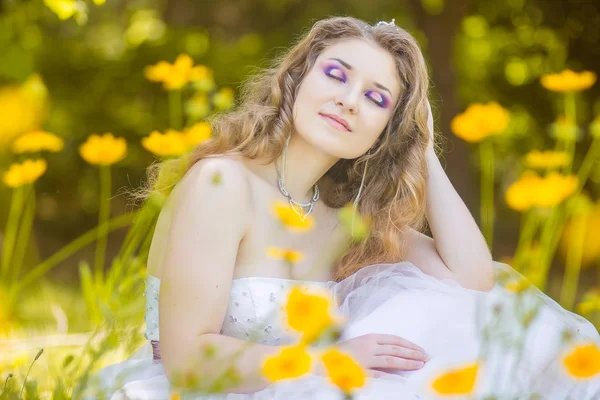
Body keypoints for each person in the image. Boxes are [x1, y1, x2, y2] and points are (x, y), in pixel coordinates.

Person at [76, 16, 600, 400]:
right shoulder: (222, 184)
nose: (350, 100)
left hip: (295, 386)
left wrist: (424, 145)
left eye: (378, 100)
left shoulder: (345, 217)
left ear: (385, 133)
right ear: (297, 78)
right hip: (198, 391)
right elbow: (188, 360)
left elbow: (473, 282)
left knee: (466, 318)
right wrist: (329, 361)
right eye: (336, 74)